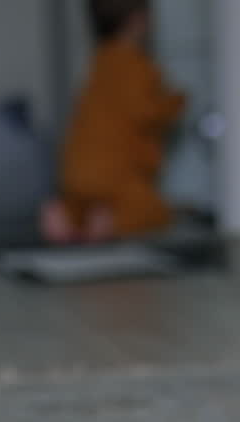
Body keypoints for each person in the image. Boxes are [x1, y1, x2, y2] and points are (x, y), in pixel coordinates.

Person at [41, 0, 184, 244]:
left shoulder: (100, 61)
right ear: (140, 20)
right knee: (151, 211)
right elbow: (145, 112)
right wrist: (175, 102)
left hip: (77, 171)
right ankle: (108, 225)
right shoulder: (138, 66)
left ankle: (69, 218)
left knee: (83, 206)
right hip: (117, 175)